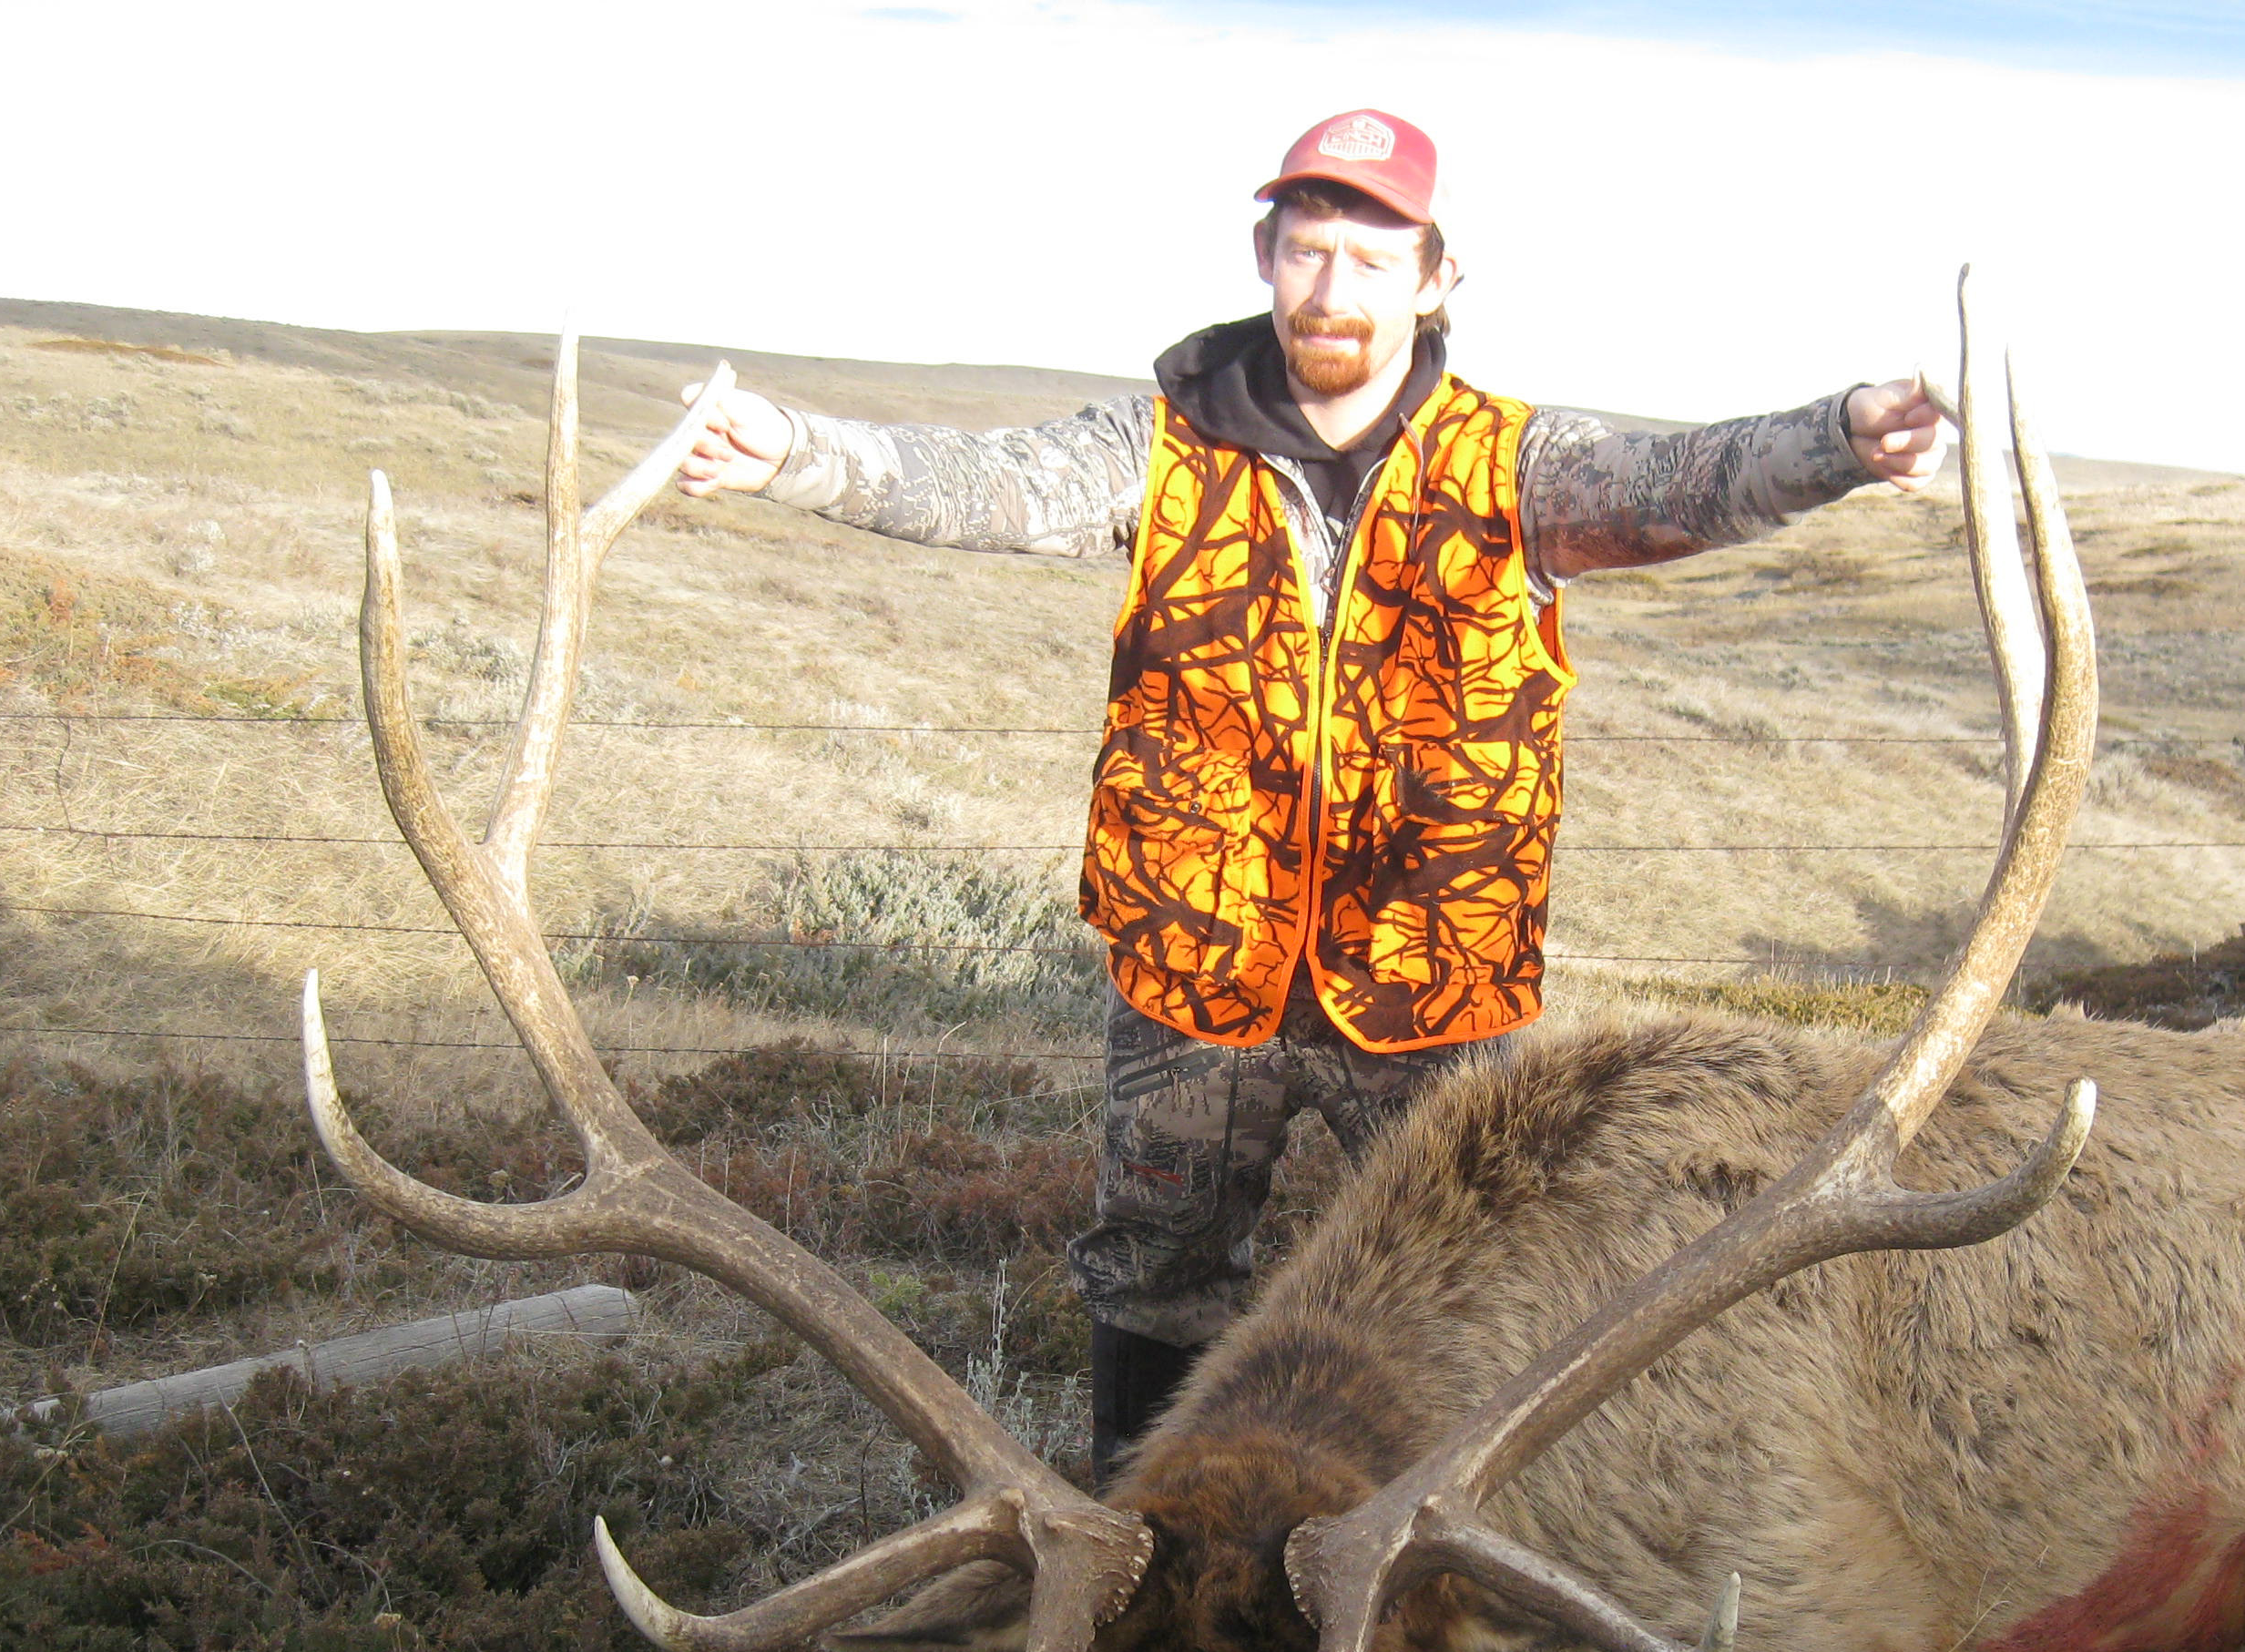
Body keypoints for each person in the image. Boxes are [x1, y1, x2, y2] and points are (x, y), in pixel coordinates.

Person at [676, 108, 1949, 1480]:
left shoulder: (1516, 468)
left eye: (1373, 259)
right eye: (1307, 250)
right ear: (1264, 257)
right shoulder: (1157, 448)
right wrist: (789, 450)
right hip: (1197, 956)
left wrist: (1844, 437)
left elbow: (1684, 482)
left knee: (1488, 1274)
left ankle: (1455, 1537)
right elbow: (977, 482)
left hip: (1430, 974)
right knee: (1158, 1268)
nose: (1333, 289)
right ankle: (1138, 1527)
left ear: (1437, 280)